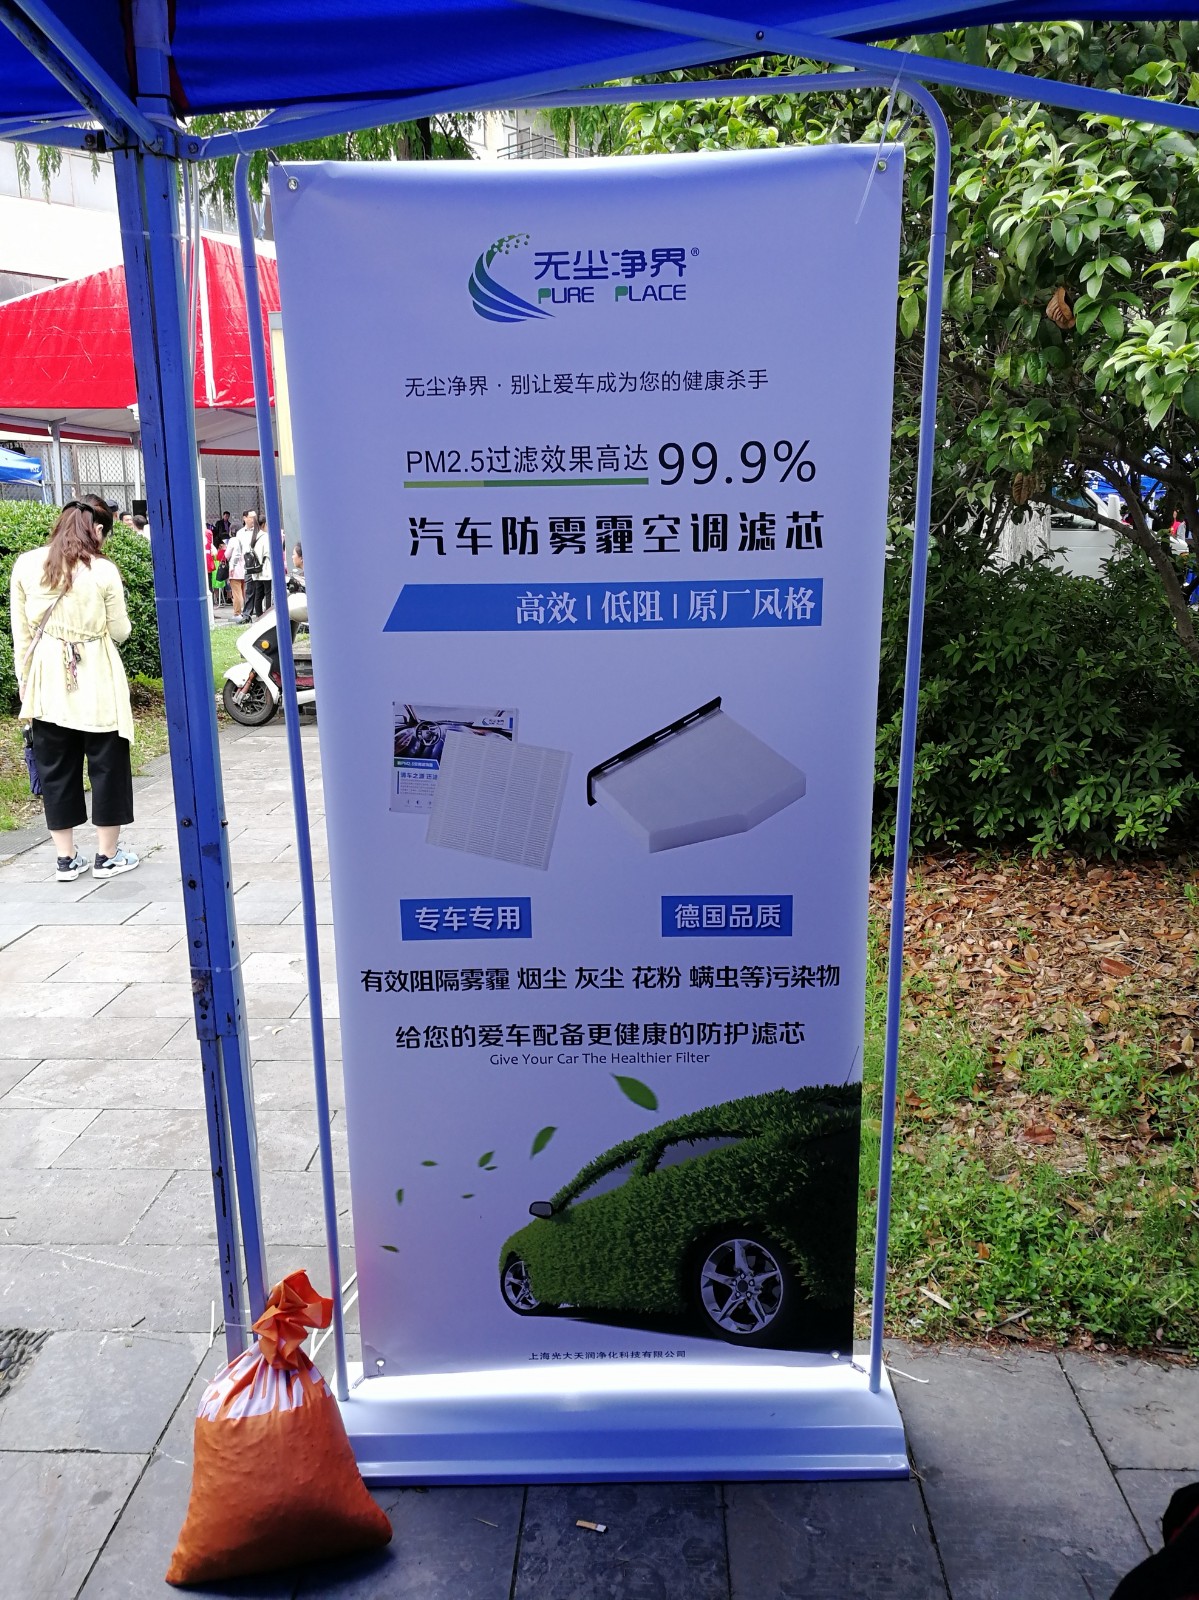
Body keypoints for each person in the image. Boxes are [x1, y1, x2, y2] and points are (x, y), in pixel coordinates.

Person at [9, 495, 139, 880]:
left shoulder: (26, 565)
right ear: (96, 529)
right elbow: (121, 631)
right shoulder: (103, 571)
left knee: (55, 767)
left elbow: (22, 635)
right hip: (97, 673)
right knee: (108, 764)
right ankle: (107, 855)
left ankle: (65, 859)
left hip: (47, 677)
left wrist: (24, 681)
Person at [225, 515, 249, 618]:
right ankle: (246, 611)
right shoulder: (246, 539)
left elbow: (227, 555)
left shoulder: (233, 540)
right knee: (244, 592)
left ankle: (237, 613)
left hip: (234, 570)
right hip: (246, 569)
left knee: (237, 593)